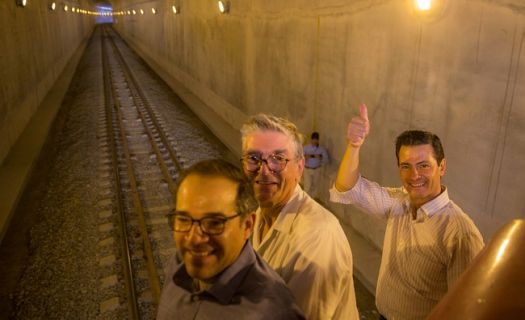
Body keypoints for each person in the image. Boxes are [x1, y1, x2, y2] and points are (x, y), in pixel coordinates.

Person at [330, 103, 485, 320]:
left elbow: (465, 309)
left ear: (442, 167)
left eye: (424, 165)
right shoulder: (399, 202)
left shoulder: (460, 232)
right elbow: (348, 188)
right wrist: (354, 145)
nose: (414, 175)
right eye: (405, 166)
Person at [240, 114, 359, 320]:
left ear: (299, 166)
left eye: (278, 159)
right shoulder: (260, 214)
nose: (264, 171)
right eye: (254, 158)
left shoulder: (317, 237)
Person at [156, 159, 305, 320]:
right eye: (184, 219)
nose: (194, 239)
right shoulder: (180, 263)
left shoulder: (273, 313)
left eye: (214, 223)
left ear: (247, 226)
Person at [303, 131, 329, 199]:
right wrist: (305, 157)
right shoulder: (305, 148)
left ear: (318, 140)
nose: (314, 142)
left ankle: (312, 200)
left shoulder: (321, 149)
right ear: (311, 139)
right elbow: (299, 158)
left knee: (315, 186)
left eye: (316, 140)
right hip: (307, 169)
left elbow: (326, 160)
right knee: (307, 185)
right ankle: (305, 200)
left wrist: (320, 158)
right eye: (313, 140)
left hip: (317, 169)